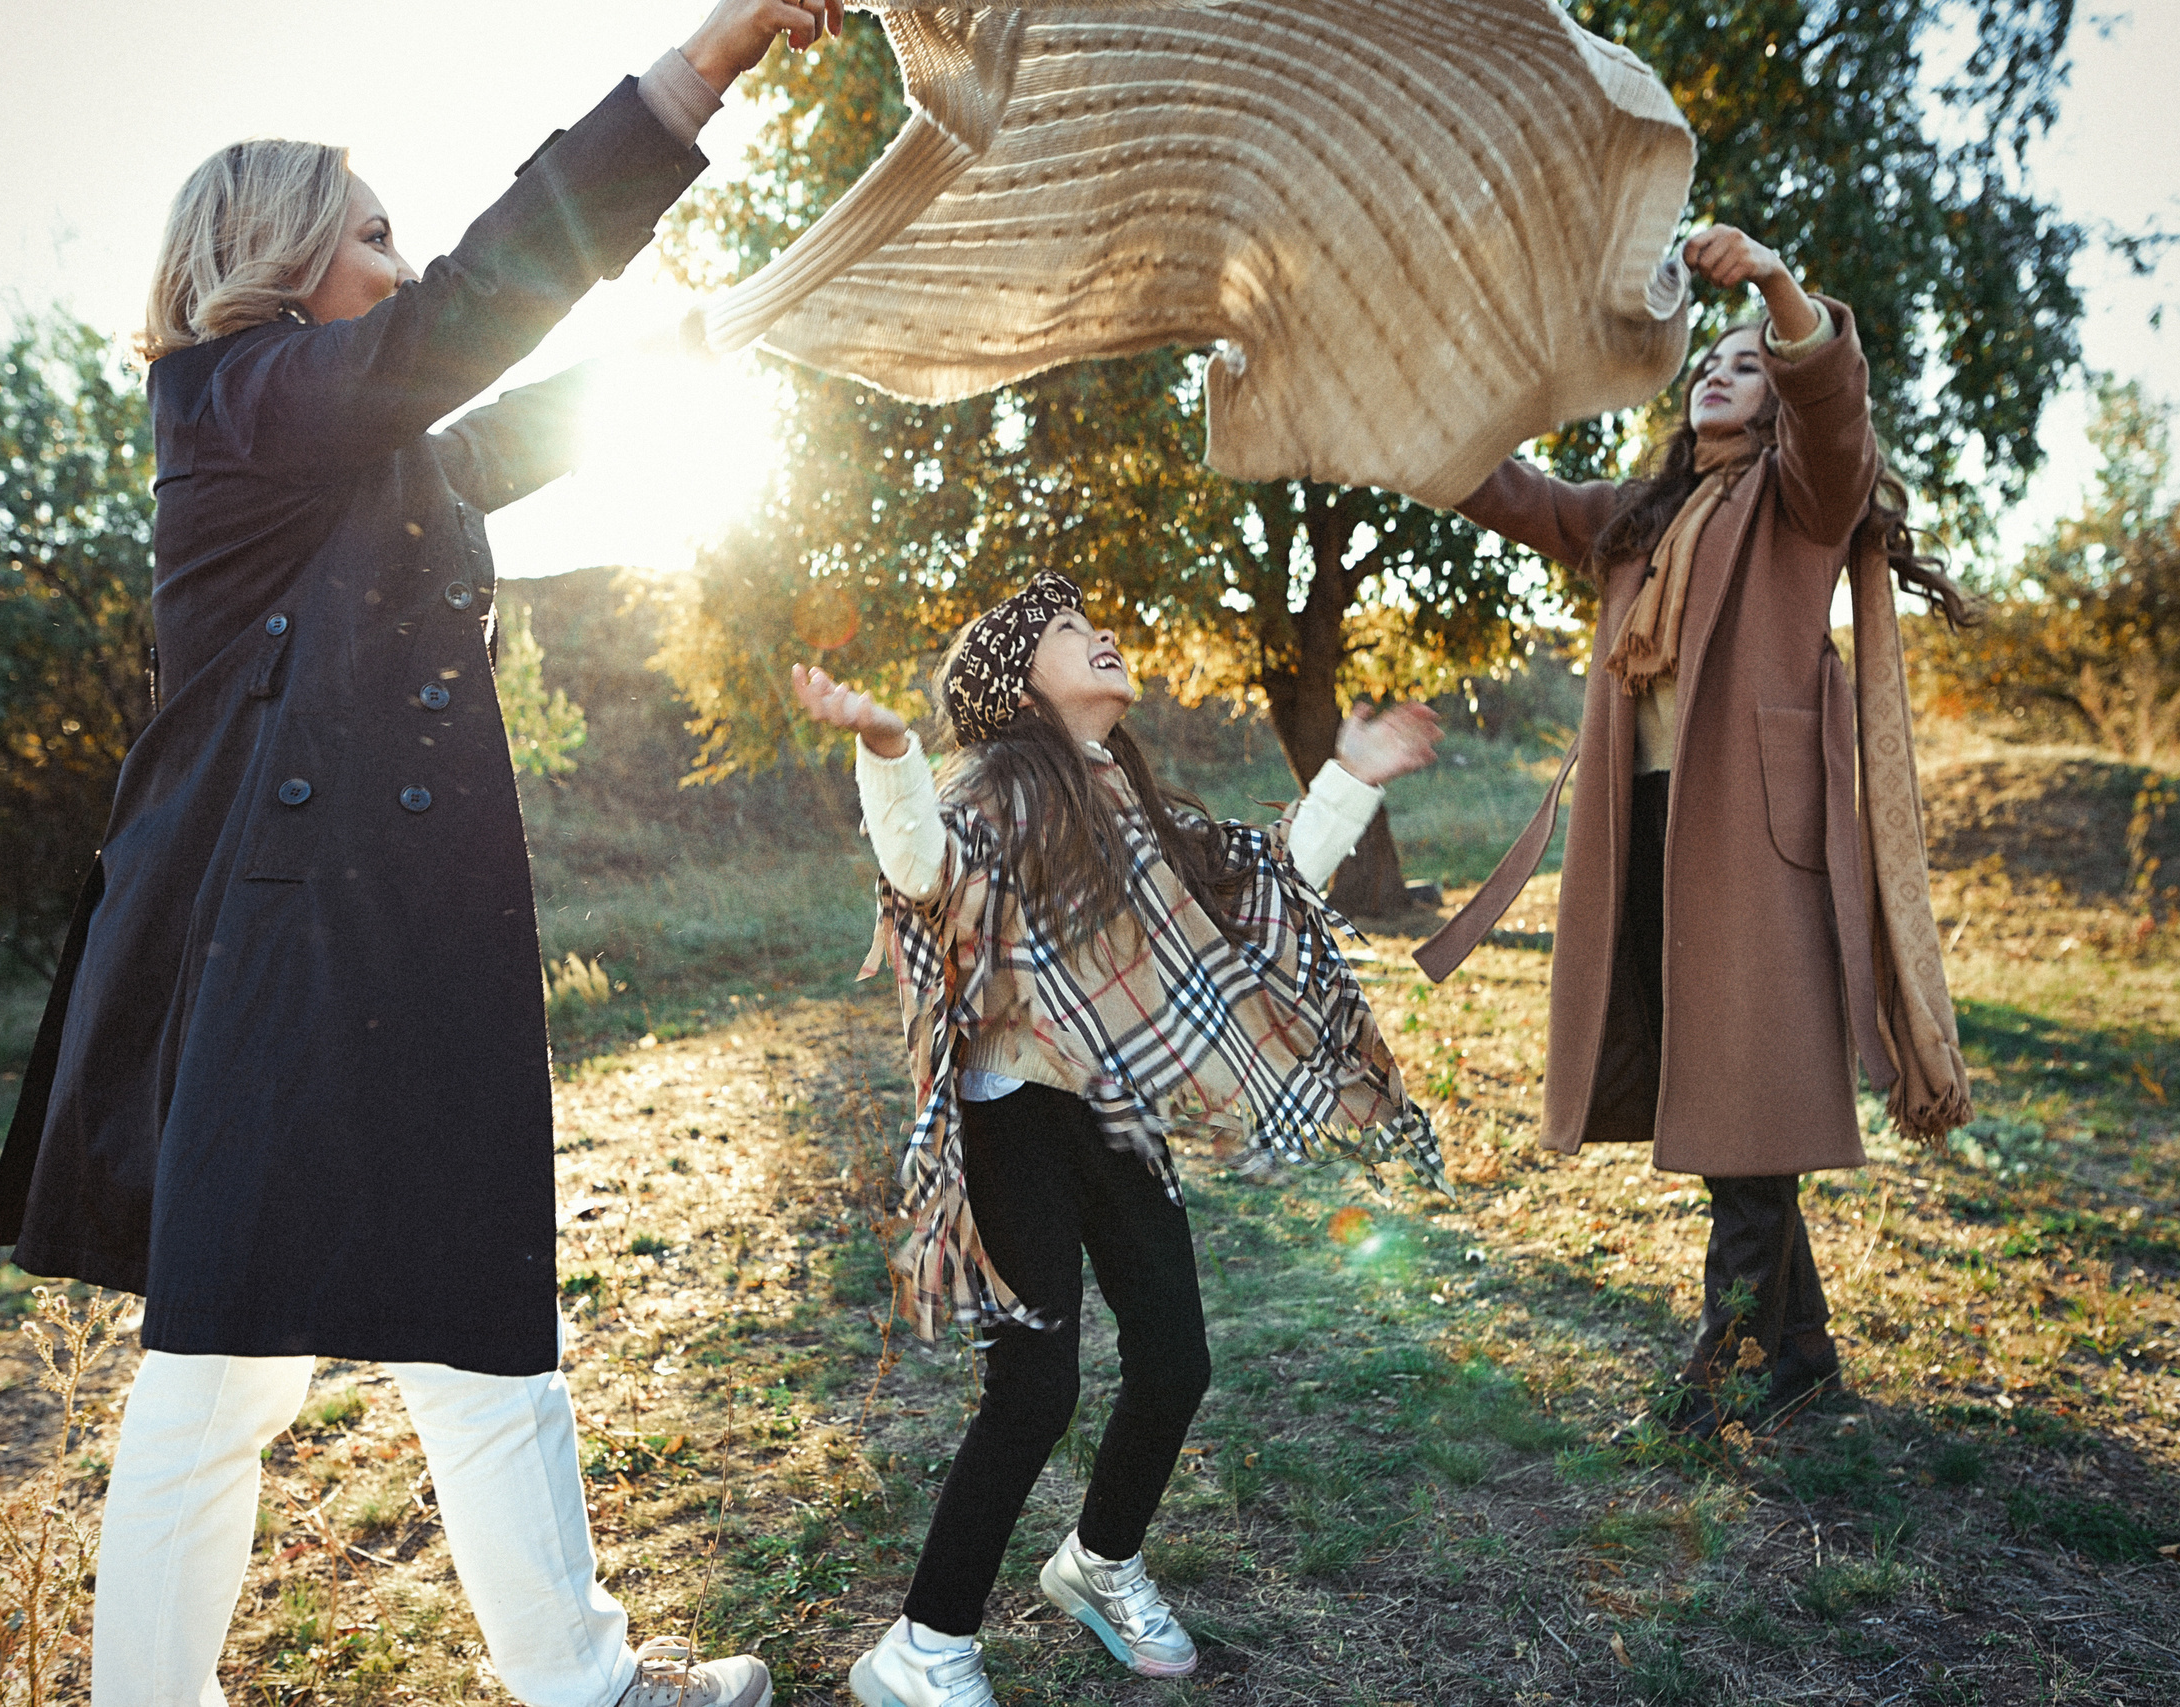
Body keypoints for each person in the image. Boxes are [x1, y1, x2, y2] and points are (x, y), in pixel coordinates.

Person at [0, 5, 844, 1703]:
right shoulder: (227, 405)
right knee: (226, 1376)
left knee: (471, 1327)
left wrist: (741, 316)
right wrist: (693, 75)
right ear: (280, 255)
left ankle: (585, 1684)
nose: (401, 255)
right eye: (369, 230)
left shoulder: (360, 451)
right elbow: (470, 320)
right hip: (278, 957)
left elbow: (524, 422)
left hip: (366, 946)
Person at [789, 575, 1445, 1707]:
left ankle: (1097, 1563)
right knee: (1034, 1396)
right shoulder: (995, 785)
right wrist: (890, 747)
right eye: (1062, 631)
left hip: (1117, 1120)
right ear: (1014, 681)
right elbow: (920, 870)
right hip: (1014, 1125)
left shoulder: (1130, 800)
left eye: (1097, 621)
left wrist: (1351, 777)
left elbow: (1265, 876)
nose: (1099, 634)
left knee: (1177, 1360)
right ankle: (924, 1648)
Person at [1412, 224, 1974, 1438]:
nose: (1722, 369)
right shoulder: (1639, 512)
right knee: (1730, 1099)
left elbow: (1833, 411)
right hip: (1648, 830)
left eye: (1749, 361)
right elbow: (1508, 492)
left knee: (1743, 1089)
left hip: (1759, 844)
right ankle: (1805, 1360)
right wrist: (1406, 404)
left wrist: (1775, 283)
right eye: (1710, 359)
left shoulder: (1802, 499)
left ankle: (1713, 1374)